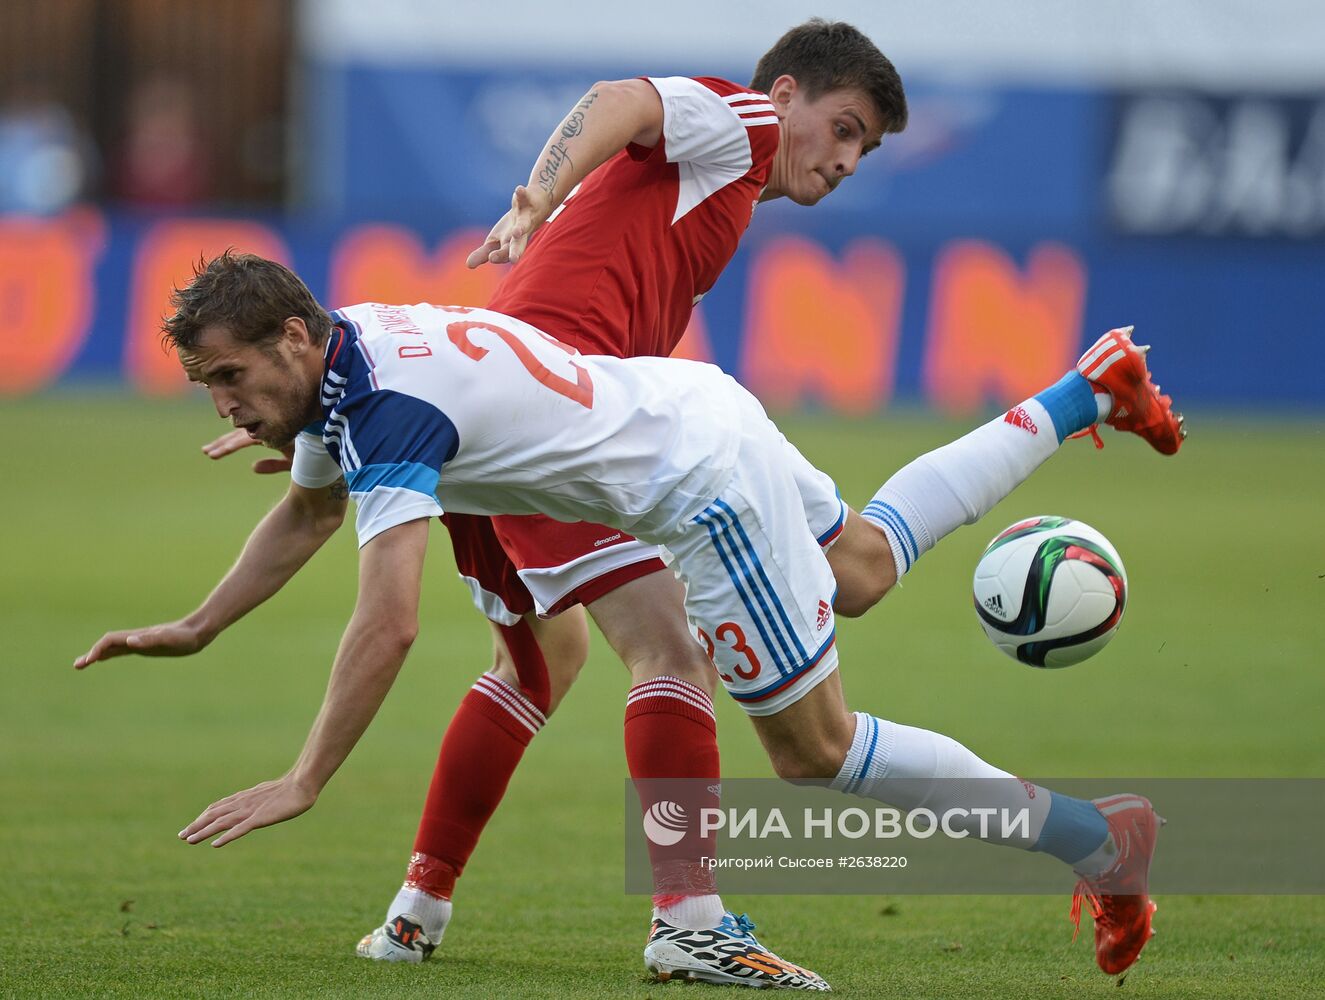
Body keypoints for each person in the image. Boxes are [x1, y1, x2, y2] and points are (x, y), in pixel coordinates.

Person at [77, 254, 1183, 987]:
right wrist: (200, 624)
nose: (223, 405)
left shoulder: (383, 407)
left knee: (814, 751)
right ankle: (1089, 388)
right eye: (206, 388)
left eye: (229, 378)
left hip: (702, 490)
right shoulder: (349, 348)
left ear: (288, 336)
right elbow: (310, 505)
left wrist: (305, 775)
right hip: (690, 401)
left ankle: (1098, 840)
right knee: (859, 563)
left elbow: (390, 622)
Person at [200, 19, 911, 984]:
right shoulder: (743, 125)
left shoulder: (713, 192)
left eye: (863, 147)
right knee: (671, 649)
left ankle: (417, 909)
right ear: (786, 95)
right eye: (846, 127)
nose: (847, 159)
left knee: (538, 663)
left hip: (482, 418)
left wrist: (303, 422)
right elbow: (623, 99)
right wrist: (541, 190)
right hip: (555, 415)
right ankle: (688, 921)